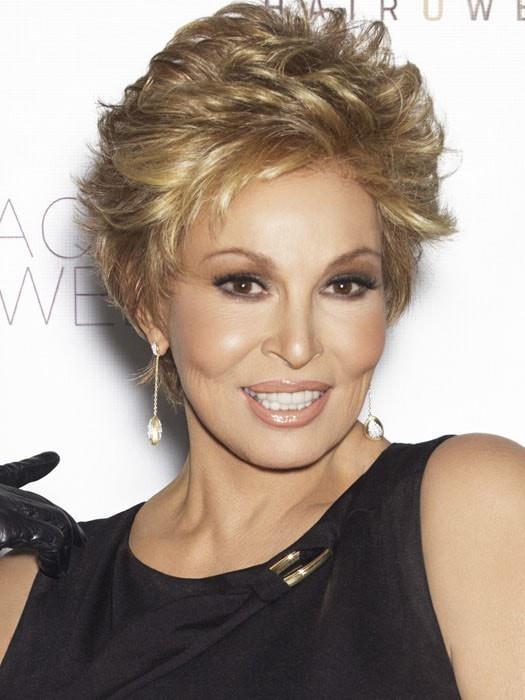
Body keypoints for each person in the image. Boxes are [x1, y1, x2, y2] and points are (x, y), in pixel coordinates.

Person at [1, 1, 523, 697]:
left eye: (344, 284)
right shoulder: (26, 600)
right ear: (147, 301)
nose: (299, 345)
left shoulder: (471, 507)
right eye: (244, 284)